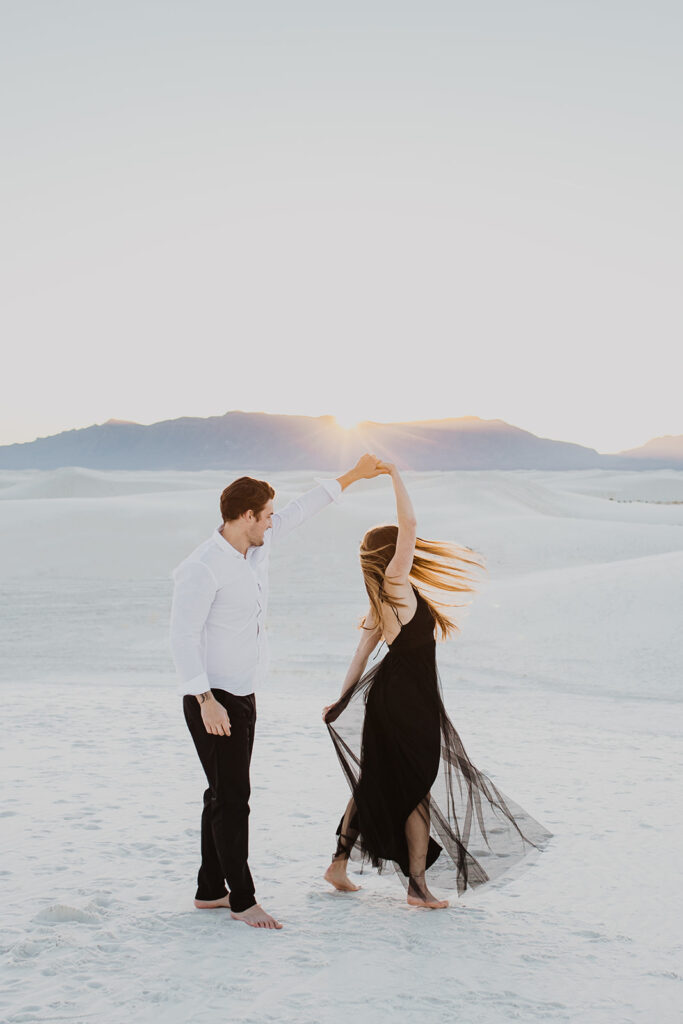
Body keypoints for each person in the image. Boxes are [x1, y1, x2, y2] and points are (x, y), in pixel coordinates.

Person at [323, 463, 552, 908]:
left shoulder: (383, 597)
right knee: (416, 788)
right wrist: (392, 474)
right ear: (393, 554)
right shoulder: (394, 584)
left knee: (376, 781)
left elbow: (360, 654)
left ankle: (338, 863)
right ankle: (417, 888)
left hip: (390, 698)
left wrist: (343, 697)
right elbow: (410, 523)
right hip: (408, 702)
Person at [170, 454, 385, 930]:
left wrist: (353, 475)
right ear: (246, 516)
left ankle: (210, 891)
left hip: (242, 694)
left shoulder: (255, 548)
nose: (273, 521)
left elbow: (303, 510)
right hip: (214, 699)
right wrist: (206, 701)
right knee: (233, 798)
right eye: (267, 514)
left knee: (221, 794)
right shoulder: (202, 567)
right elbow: (182, 638)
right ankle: (242, 900)